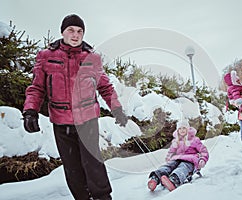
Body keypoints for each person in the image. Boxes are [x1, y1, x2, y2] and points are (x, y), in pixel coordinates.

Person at [22, 14, 128, 200]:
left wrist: (116, 109)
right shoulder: (46, 56)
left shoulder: (92, 58)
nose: (75, 34)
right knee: (72, 168)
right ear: (62, 32)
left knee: (93, 163)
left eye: (80, 31)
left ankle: (103, 197)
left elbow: (105, 86)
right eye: (71, 30)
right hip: (61, 122)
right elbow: (37, 87)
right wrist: (30, 111)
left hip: (87, 120)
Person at [147, 120, 209, 191]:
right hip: (177, 159)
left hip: (190, 161)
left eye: (184, 128)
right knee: (169, 165)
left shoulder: (194, 140)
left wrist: (202, 159)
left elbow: (203, 150)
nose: (182, 130)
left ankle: (174, 179)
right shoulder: (176, 140)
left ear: (188, 129)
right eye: (180, 128)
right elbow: (171, 151)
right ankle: (155, 178)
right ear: (177, 130)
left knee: (183, 167)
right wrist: (169, 157)